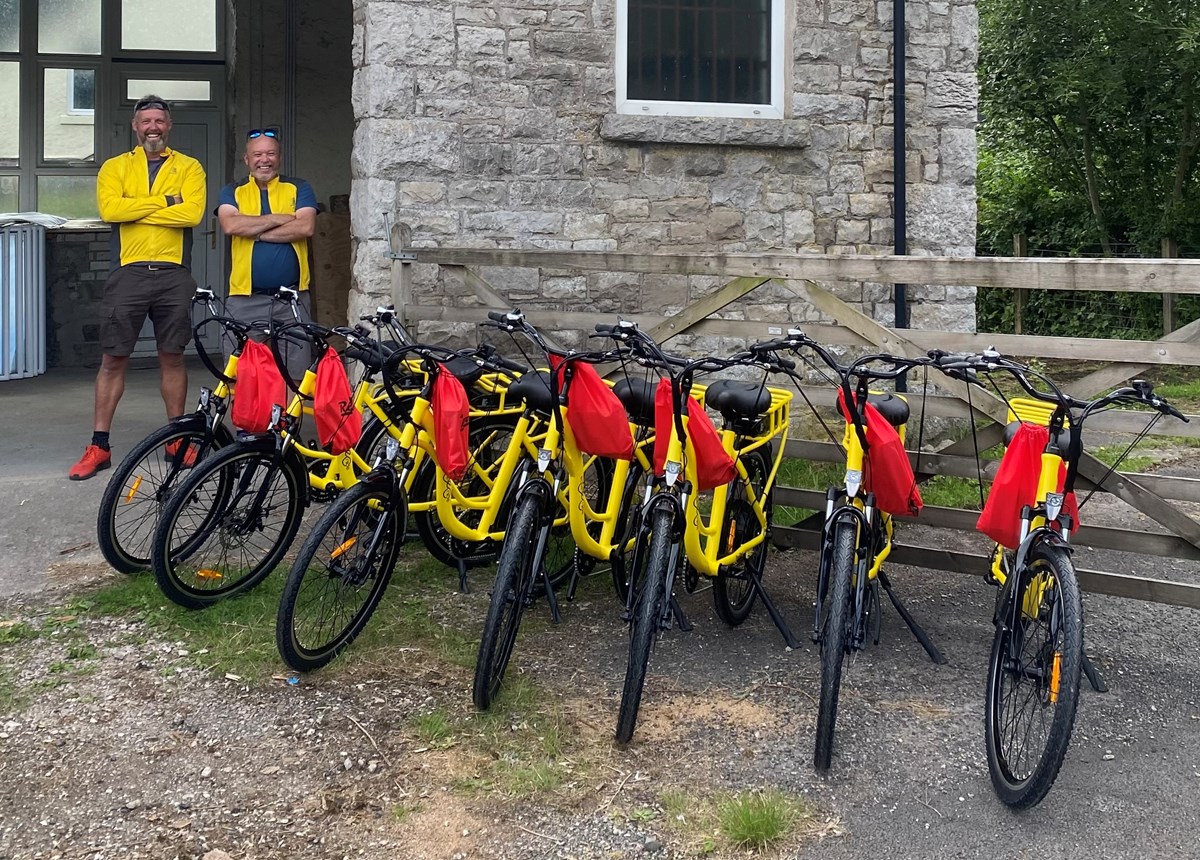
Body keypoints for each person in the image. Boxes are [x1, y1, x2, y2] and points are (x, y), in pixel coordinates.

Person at [70, 96, 207, 480]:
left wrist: (138, 205)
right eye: (146, 120)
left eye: (159, 121)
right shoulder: (115, 167)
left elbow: (192, 213)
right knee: (113, 359)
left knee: (172, 356)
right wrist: (166, 200)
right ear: (135, 126)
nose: (153, 127)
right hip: (128, 272)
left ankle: (176, 439)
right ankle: (99, 445)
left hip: (173, 272)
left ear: (169, 125)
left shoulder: (190, 167)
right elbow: (111, 211)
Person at [215, 127, 318, 379]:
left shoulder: (299, 187)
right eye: (258, 154)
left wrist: (255, 231)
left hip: (293, 298)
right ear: (246, 159)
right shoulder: (232, 191)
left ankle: (286, 419)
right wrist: (277, 219)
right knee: (239, 371)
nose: (264, 160)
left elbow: (305, 226)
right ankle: (248, 420)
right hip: (245, 298)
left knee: (295, 374)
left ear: (279, 157)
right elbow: (231, 225)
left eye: (270, 153)